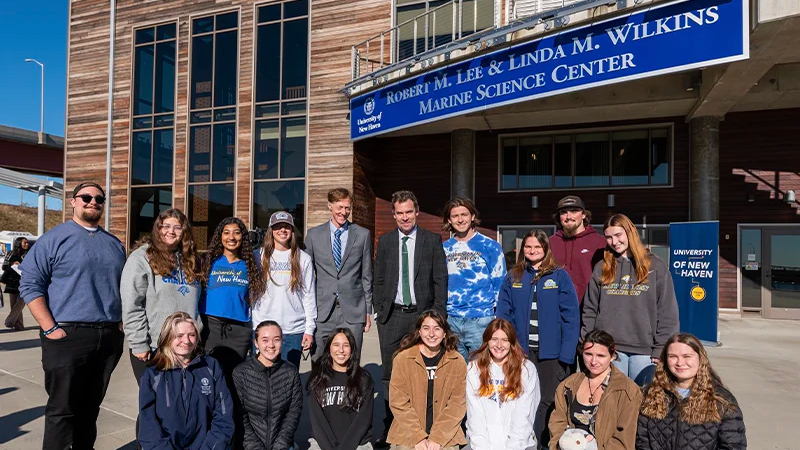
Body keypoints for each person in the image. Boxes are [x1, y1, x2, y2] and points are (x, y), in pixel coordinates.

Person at [19, 182, 127, 449]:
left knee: (90, 409)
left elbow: (123, 288)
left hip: (108, 337)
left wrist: (122, 324)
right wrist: (49, 327)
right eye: (87, 197)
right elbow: (31, 285)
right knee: (62, 411)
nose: (93, 202)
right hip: (67, 336)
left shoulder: (114, 244)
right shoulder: (53, 239)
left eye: (99, 198)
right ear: (73, 202)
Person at [373, 190, 448, 445]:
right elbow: (379, 279)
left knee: (425, 372)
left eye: (409, 212)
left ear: (417, 212)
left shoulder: (432, 240)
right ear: (393, 215)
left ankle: (424, 427)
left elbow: (440, 280)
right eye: (399, 213)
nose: (405, 217)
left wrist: (437, 317)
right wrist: (379, 308)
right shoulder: (385, 242)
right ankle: (390, 426)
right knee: (390, 375)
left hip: (422, 317)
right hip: (392, 316)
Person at [496, 229, 580, 448]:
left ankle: (544, 442)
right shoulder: (514, 276)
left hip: (550, 353)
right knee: (519, 398)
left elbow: (571, 317)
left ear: (545, 249)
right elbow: (503, 314)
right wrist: (505, 346)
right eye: (528, 247)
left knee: (547, 400)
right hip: (520, 351)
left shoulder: (559, 275)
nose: (532, 251)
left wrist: (567, 354)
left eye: (537, 247)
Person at [581, 213, 680, 385]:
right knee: (613, 403)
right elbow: (590, 309)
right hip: (609, 349)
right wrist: (588, 342)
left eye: (618, 235)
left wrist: (662, 348)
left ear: (630, 232)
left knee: (642, 404)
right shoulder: (602, 267)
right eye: (609, 237)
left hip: (645, 351)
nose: (614, 241)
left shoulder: (655, 266)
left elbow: (667, 311)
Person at [122, 208, 203, 387]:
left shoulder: (190, 259)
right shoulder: (141, 258)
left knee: (180, 403)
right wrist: (139, 343)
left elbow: (196, 303)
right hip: (155, 347)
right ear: (157, 229)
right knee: (156, 405)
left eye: (177, 227)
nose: (171, 231)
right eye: (166, 226)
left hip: (187, 346)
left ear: (184, 231)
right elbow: (131, 304)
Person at [138, 312, 234, 449]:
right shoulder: (153, 375)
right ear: (168, 338)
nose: (187, 341)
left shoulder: (211, 367)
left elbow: (224, 417)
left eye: (192, 335)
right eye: (179, 336)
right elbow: (148, 426)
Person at [637, 333, 747, 450]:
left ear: (700, 358)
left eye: (687, 356)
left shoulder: (721, 400)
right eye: (673, 356)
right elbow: (641, 441)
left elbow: (733, 446)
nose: (680, 363)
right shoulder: (651, 394)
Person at [304, 188, 373, 360]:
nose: (344, 212)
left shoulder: (362, 235)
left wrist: (367, 310)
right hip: (322, 309)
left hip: (353, 309)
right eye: (340, 207)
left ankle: (350, 388)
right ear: (330, 206)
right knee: (319, 358)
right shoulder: (313, 235)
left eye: (347, 208)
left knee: (351, 359)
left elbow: (366, 275)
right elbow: (305, 275)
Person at [549, 330, 642, 450]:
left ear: (612, 355)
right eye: (588, 354)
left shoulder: (627, 391)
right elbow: (557, 423)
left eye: (600, 356)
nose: (593, 362)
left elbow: (624, 437)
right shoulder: (568, 385)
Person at [387, 310, 466, 450]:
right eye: (426, 328)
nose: (431, 334)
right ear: (419, 331)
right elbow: (398, 402)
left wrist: (438, 437)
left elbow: (457, 405)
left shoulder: (457, 361)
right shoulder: (403, 359)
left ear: (445, 333)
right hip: (408, 433)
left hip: (446, 433)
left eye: (437, 329)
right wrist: (418, 437)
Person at [441, 196, 506, 361]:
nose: (460, 219)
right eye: (455, 216)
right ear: (449, 220)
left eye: (464, 214)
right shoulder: (444, 248)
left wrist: (498, 319)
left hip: (480, 319)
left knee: (482, 369)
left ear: (473, 217)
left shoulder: (490, 246)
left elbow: (500, 285)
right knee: (456, 370)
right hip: (452, 319)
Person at [200, 217, 265, 378]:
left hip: (239, 331)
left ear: (243, 237)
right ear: (220, 237)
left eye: (237, 233)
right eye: (226, 233)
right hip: (211, 329)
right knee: (209, 377)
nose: (231, 237)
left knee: (235, 379)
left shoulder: (250, 265)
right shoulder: (208, 262)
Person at [253, 211, 316, 367]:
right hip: (264, 328)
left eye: (286, 226)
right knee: (263, 378)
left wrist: (309, 329)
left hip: (293, 330)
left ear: (292, 230)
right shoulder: (257, 256)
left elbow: (308, 295)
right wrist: (254, 326)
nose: (282, 230)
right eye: (278, 227)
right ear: (271, 230)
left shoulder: (303, 258)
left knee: (289, 377)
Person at [466, 318, 540, 450]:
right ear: (487, 340)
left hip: (519, 445)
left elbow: (524, 415)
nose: (499, 345)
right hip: (483, 445)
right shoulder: (473, 369)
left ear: (511, 342)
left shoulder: (526, 369)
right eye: (494, 339)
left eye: (505, 340)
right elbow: (475, 417)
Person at [232, 320, 303, 450]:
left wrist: (280, 445)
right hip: (249, 445)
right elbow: (239, 416)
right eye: (265, 340)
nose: (271, 345)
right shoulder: (241, 373)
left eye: (276, 339)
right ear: (256, 343)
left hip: (282, 445)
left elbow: (293, 413)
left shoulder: (290, 372)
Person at [307, 328, 375, 450]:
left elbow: (363, 421)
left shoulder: (364, 379)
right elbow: (317, 422)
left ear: (352, 349)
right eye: (336, 345)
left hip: (358, 444)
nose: (341, 350)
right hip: (322, 444)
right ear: (329, 348)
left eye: (346, 345)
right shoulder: (317, 379)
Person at [549, 195, 606, 303]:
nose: (568, 216)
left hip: (589, 308)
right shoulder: (551, 242)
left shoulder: (600, 242)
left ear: (584, 215)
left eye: (574, 211)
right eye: (563, 212)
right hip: (556, 307)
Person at [2, 237, 30, 330]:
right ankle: (19, 325)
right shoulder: (11, 253)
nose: (27, 244)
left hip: (26, 281)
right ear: (18, 244)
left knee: (21, 302)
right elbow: (4, 266)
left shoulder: (29, 253)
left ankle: (9, 321)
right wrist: (12, 264)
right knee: (13, 303)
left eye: (27, 243)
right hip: (13, 282)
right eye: (24, 243)